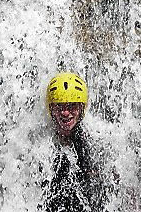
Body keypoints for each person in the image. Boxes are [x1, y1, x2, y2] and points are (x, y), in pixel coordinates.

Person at [42, 72, 109, 212]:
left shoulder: (92, 145)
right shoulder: (41, 144)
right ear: (51, 108)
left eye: (72, 105)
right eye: (59, 106)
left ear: (81, 108)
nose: (65, 113)